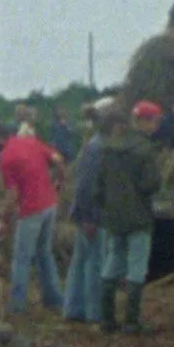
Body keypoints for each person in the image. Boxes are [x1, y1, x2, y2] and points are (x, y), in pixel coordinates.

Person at [96, 103, 164, 335]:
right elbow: (152, 184)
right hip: (138, 216)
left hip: (114, 217)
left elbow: (100, 184)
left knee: (112, 261)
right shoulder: (145, 149)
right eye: (154, 120)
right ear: (144, 121)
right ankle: (131, 322)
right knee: (136, 266)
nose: (156, 125)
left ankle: (106, 319)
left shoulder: (108, 147)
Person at [0, 122, 65, 314]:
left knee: (21, 258)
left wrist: (3, 220)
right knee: (44, 253)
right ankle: (53, 299)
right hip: (50, 205)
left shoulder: (5, 158)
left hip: (31, 210)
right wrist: (60, 182)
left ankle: (17, 306)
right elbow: (58, 159)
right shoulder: (30, 142)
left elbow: (12, 193)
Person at [63, 106, 108, 324]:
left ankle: (73, 309)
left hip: (87, 213)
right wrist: (88, 217)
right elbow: (86, 186)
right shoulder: (97, 148)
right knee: (94, 262)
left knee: (82, 260)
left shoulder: (94, 146)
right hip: (93, 214)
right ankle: (93, 313)